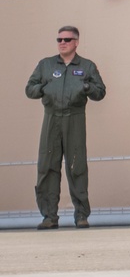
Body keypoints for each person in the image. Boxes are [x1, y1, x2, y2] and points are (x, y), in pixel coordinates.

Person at [25, 26, 107, 230]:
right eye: (59, 39)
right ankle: (49, 216)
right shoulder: (46, 65)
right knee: (47, 167)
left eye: (67, 39)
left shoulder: (87, 66)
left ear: (76, 42)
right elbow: (30, 89)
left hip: (75, 119)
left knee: (77, 167)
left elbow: (100, 92)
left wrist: (86, 87)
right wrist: (44, 88)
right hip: (51, 119)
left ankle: (81, 215)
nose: (62, 42)